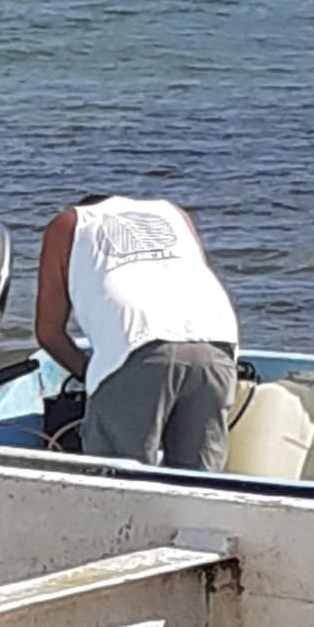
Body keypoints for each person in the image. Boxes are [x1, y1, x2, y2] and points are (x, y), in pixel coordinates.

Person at [35, 194, 239, 470]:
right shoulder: (174, 213)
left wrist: (91, 375)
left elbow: (48, 333)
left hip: (138, 341)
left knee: (118, 481)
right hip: (217, 340)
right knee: (199, 483)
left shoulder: (70, 222)